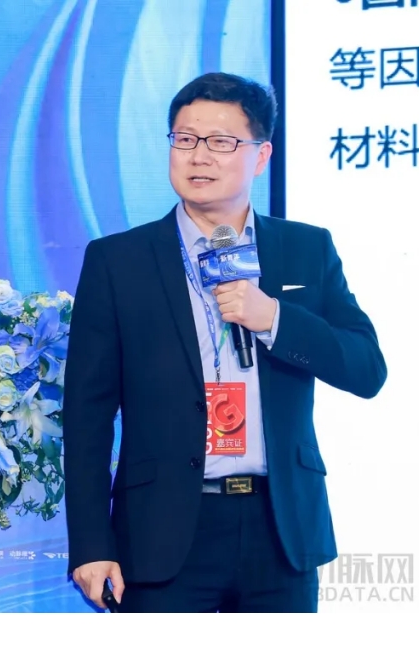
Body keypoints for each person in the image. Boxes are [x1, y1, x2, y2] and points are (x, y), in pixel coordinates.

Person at [62, 72, 386, 613]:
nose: (199, 156)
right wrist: (92, 543)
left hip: (279, 528)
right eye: (185, 139)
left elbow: (367, 369)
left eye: (221, 141)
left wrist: (274, 318)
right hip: (160, 530)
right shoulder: (118, 261)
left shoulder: (307, 249)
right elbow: (86, 415)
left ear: (261, 156)